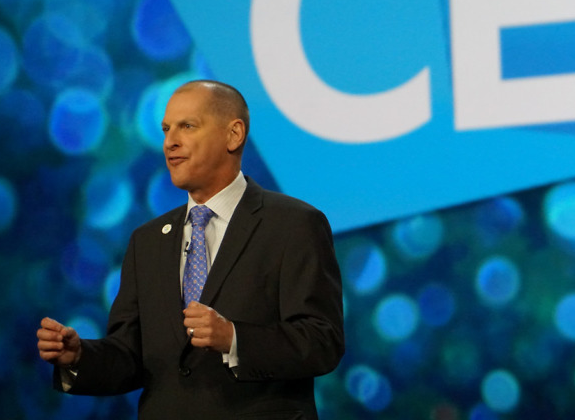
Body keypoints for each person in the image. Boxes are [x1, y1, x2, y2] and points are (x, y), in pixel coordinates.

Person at [36, 80, 345, 419]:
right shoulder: (147, 241)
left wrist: (234, 338)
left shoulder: (294, 224)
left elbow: (322, 342)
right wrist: (79, 357)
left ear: (234, 135)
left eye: (187, 126)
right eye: (166, 129)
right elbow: (130, 355)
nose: (170, 142)